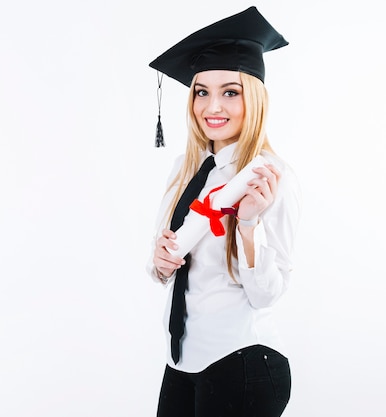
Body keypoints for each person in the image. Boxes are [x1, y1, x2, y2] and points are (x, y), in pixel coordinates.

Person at [146, 7, 301, 417]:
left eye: (230, 92)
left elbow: (268, 294)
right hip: (180, 360)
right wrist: (161, 262)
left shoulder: (269, 176)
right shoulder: (184, 170)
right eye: (202, 91)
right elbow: (168, 265)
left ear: (254, 97)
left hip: (242, 359)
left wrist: (247, 225)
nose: (212, 106)